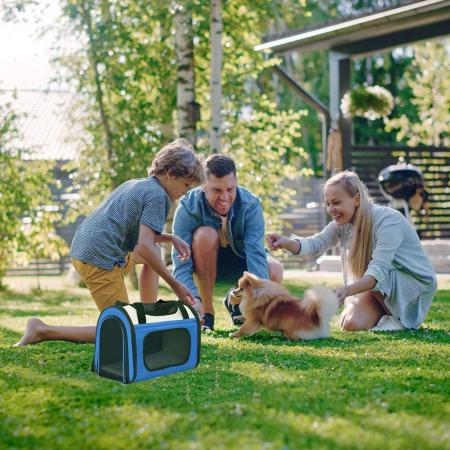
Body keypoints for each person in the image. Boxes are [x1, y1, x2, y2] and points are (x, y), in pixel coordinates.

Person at [14, 138, 205, 347]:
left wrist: (168, 237)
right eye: (186, 184)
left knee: (154, 250)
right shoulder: (159, 197)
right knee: (122, 333)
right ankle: (41, 330)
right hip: (99, 258)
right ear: (170, 174)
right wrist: (175, 284)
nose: (186, 192)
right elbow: (143, 245)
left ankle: (148, 317)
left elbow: (138, 235)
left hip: (89, 248)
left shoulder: (138, 185)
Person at [266, 170, 437, 331]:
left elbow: (377, 272)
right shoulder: (343, 224)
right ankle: (386, 316)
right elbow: (315, 244)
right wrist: (286, 243)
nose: (331, 209)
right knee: (350, 324)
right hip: (379, 287)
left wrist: (346, 291)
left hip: (411, 285)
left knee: (373, 273)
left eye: (336, 202)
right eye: (328, 204)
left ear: (356, 200)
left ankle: (400, 320)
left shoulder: (388, 221)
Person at [172, 154, 283, 331]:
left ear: (236, 182)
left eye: (230, 189)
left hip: (240, 260)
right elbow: (181, 261)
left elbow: (255, 253)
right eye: (217, 190)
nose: (224, 197)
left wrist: (259, 301)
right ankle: (206, 315)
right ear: (204, 185)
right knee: (205, 235)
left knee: (275, 270)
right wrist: (192, 300)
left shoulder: (250, 204)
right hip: (203, 264)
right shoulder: (187, 206)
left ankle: (238, 306)